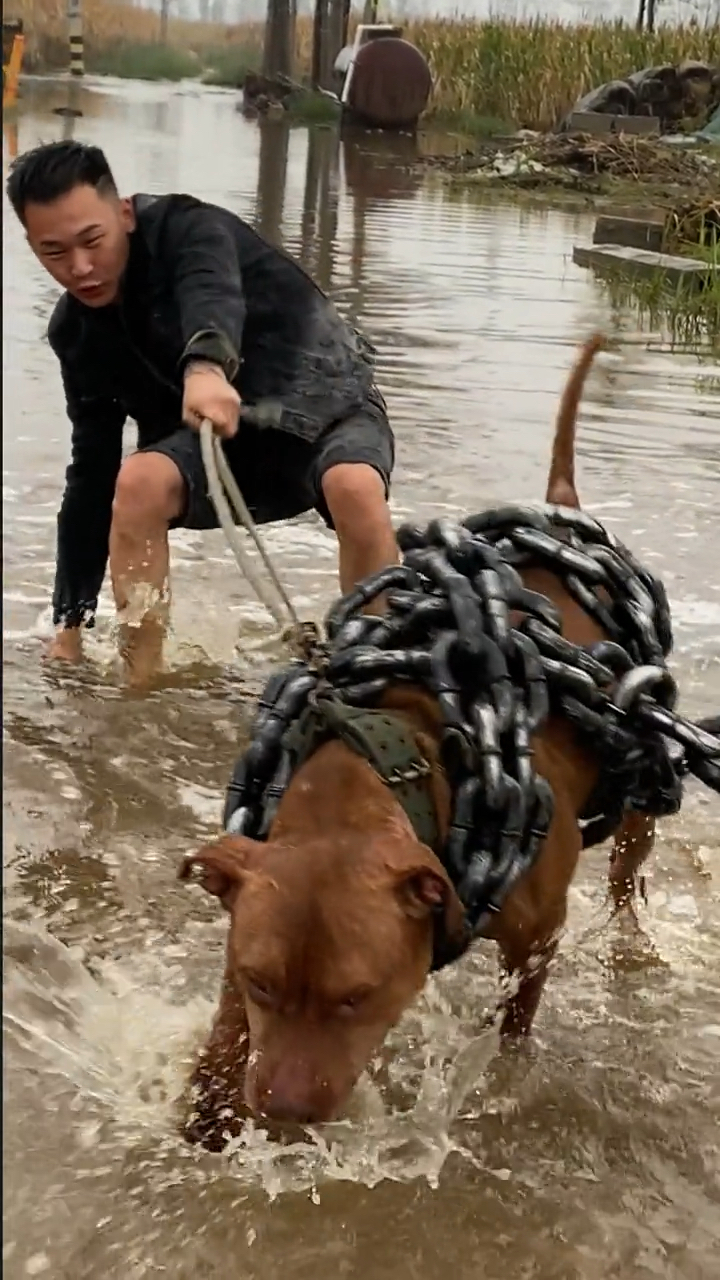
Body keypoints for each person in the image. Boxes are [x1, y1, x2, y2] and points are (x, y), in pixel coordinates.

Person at [6, 140, 398, 685]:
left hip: (326, 407)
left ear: (123, 213)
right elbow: (89, 479)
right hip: (220, 444)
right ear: (31, 245)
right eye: (54, 253)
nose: (81, 267)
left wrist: (207, 367)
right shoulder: (76, 333)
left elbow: (211, 290)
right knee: (135, 482)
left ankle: (379, 672)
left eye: (92, 240)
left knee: (354, 488)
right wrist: (69, 622)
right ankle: (139, 690)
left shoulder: (188, 229)